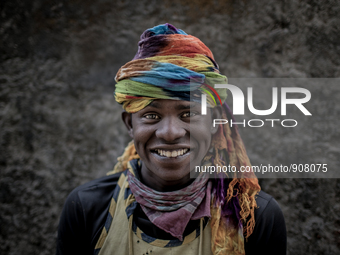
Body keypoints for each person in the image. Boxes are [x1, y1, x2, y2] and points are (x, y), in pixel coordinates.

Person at [56, 23, 286, 255]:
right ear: (130, 124)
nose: (170, 133)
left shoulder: (253, 218)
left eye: (188, 114)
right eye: (151, 115)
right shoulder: (87, 208)